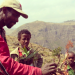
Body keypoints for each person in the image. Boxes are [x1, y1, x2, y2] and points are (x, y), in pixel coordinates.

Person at [0, 0, 57, 75]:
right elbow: (6, 65)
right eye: (15, 15)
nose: (17, 20)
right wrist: (39, 71)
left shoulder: (2, 31)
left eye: (18, 17)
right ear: (4, 10)